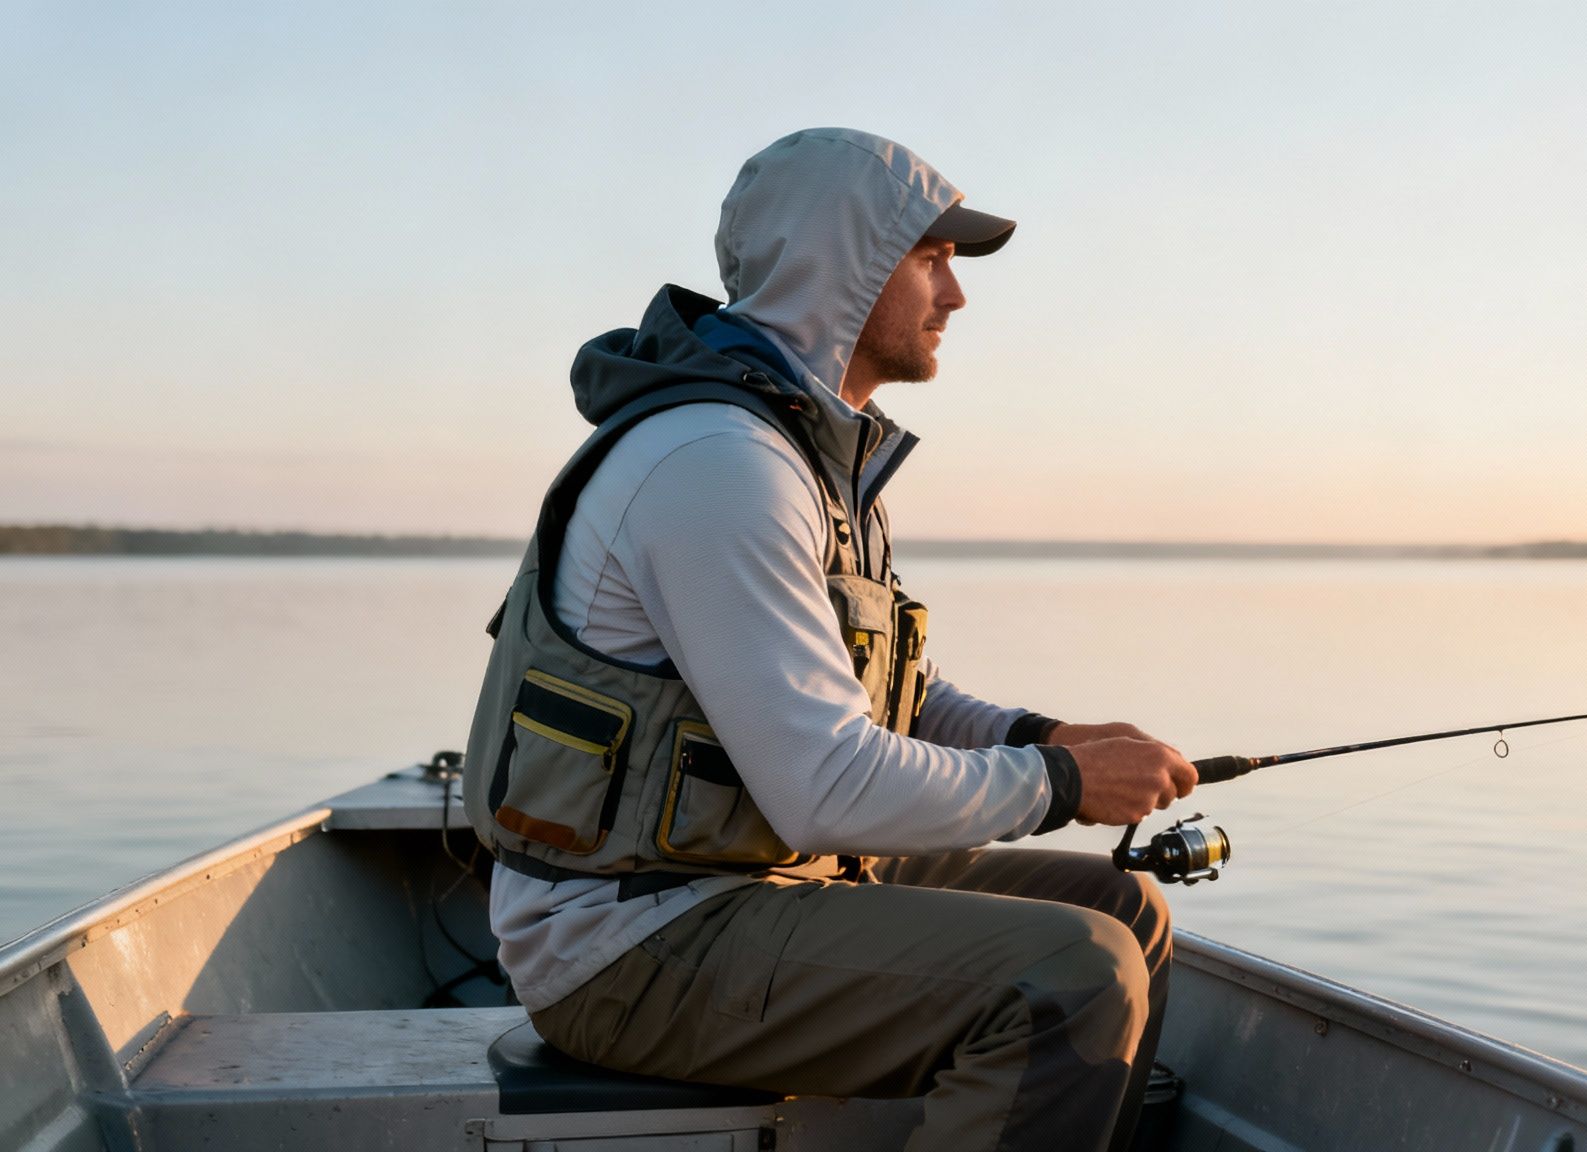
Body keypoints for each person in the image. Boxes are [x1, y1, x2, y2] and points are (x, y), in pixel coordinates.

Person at [462, 127, 1199, 1152]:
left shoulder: (810, 454)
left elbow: (905, 700)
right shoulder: (717, 464)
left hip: (761, 884)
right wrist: (1060, 784)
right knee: (1070, 976)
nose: (956, 296)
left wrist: (1053, 735)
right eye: (932, 259)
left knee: (1123, 908)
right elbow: (826, 786)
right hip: (629, 945)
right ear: (841, 264)